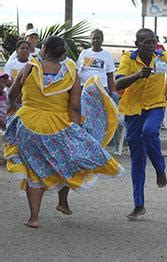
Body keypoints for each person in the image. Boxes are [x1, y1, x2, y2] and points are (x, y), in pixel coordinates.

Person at [5, 36, 124, 228]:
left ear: (43, 50)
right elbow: (75, 107)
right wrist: (76, 131)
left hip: (27, 125)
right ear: (62, 55)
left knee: (33, 172)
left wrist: (15, 108)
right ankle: (62, 201)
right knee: (67, 161)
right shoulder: (70, 73)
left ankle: (34, 218)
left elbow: (12, 94)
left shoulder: (29, 67)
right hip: (57, 126)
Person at [115, 28, 167, 220]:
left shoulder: (163, 57)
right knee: (138, 160)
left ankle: (160, 169)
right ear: (137, 44)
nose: (151, 46)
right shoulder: (128, 59)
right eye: (146, 42)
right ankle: (139, 205)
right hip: (133, 111)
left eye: (153, 42)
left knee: (149, 132)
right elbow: (118, 84)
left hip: (155, 106)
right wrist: (138, 75)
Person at [76, 29, 116, 97]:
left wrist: (111, 92)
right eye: (93, 38)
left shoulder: (107, 55)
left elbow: (110, 75)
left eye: (98, 38)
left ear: (102, 39)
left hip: (101, 89)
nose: (96, 40)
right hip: (84, 88)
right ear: (90, 40)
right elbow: (77, 71)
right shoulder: (84, 53)